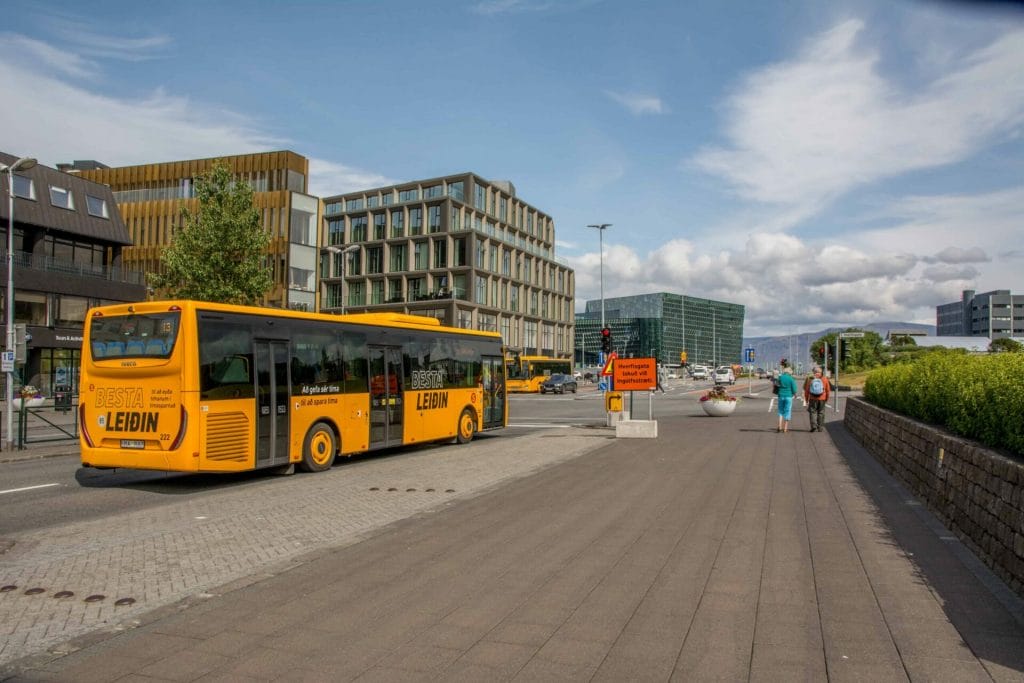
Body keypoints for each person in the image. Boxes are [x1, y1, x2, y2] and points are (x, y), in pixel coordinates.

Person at [803, 365, 831, 432]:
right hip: (822, 398)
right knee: (821, 412)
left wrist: (806, 400)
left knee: (812, 412)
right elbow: (828, 390)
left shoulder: (810, 379)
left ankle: (813, 426)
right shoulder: (825, 379)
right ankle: (820, 427)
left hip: (813, 398)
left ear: (814, 372)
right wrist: (826, 398)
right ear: (821, 372)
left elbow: (807, 391)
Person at [775, 365, 800, 433]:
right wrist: (795, 395)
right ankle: (785, 428)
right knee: (787, 411)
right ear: (790, 372)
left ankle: (779, 426)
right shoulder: (791, 379)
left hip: (781, 395)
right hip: (789, 396)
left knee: (780, 410)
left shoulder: (780, 377)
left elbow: (776, 384)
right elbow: (794, 389)